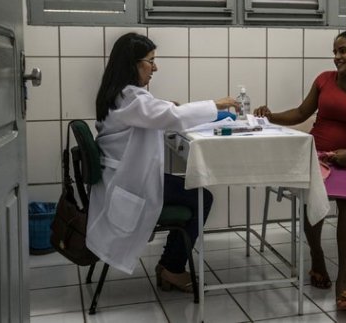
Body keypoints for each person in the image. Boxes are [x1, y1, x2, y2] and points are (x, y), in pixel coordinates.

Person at [254, 26, 346, 310]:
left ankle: (343, 282)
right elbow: (300, 113)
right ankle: (317, 256)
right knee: (314, 190)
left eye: (343, 50)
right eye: (334, 52)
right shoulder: (324, 80)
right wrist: (270, 117)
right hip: (314, 159)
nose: (336, 57)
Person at [86, 32, 238, 293]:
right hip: (131, 184)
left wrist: (169, 108)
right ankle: (172, 268)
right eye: (150, 61)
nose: (155, 67)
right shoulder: (132, 99)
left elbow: (161, 113)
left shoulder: (118, 95)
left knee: (192, 192)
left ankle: (171, 264)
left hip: (126, 178)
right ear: (132, 63)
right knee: (202, 198)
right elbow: (171, 116)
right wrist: (216, 104)